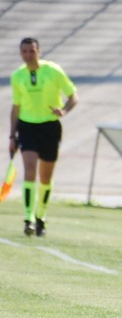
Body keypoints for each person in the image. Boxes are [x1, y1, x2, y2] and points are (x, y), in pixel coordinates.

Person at [9, 37, 78, 237]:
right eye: (24, 51)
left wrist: (63, 111)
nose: (28, 55)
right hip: (27, 127)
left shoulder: (53, 71)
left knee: (45, 177)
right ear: (21, 53)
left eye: (32, 51)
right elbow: (16, 106)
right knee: (29, 170)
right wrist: (12, 135)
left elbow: (73, 96)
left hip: (49, 127)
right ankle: (28, 218)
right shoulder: (18, 76)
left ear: (39, 51)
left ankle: (41, 216)